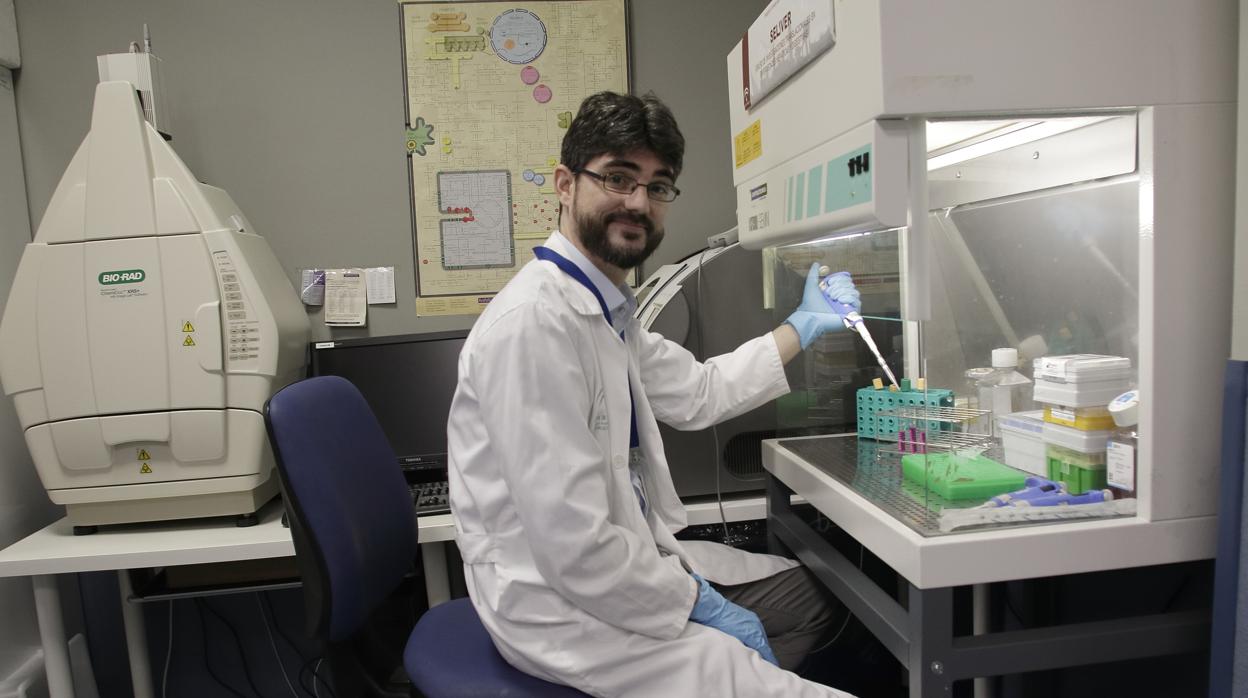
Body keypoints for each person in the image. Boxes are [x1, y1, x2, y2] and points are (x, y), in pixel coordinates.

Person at [446, 91, 861, 697]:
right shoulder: (535, 325)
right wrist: (702, 607)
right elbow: (577, 550)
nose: (638, 202)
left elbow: (699, 392)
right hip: (559, 605)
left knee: (811, 601)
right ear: (565, 184)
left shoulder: (607, 311)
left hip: (619, 563)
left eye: (658, 185)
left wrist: (800, 328)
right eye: (618, 178)